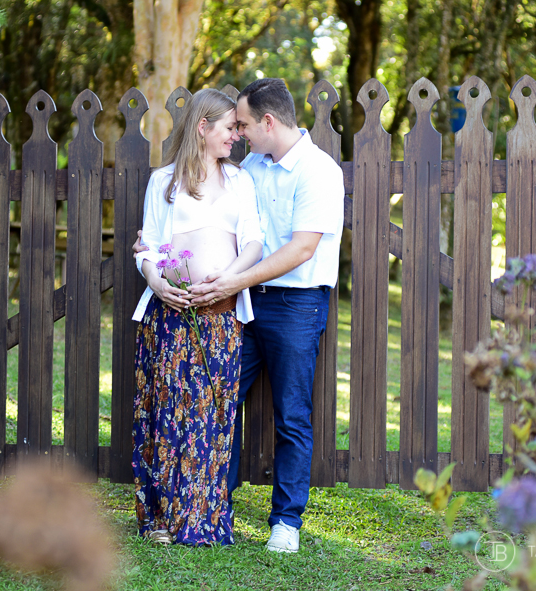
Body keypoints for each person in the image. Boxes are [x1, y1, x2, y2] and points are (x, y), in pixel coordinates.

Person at [186, 78, 344, 553]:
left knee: (291, 413)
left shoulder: (319, 172)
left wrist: (236, 281)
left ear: (269, 122)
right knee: (222, 396)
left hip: (296, 304)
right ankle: (215, 504)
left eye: (246, 124)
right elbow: (219, 215)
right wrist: (159, 245)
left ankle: (286, 522)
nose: (240, 135)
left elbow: (302, 248)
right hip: (248, 301)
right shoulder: (252, 165)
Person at [131, 88, 264, 547]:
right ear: (203, 127)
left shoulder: (240, 181)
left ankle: (202, 520)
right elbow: (147, 246)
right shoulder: (163, 181)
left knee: (211, 412)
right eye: (230, 128)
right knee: (166, 410)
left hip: (222, 315)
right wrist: (156, 282)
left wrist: (226, 280)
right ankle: (161, 521)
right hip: (170, 314)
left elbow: (253, 244)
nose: (236, 137)